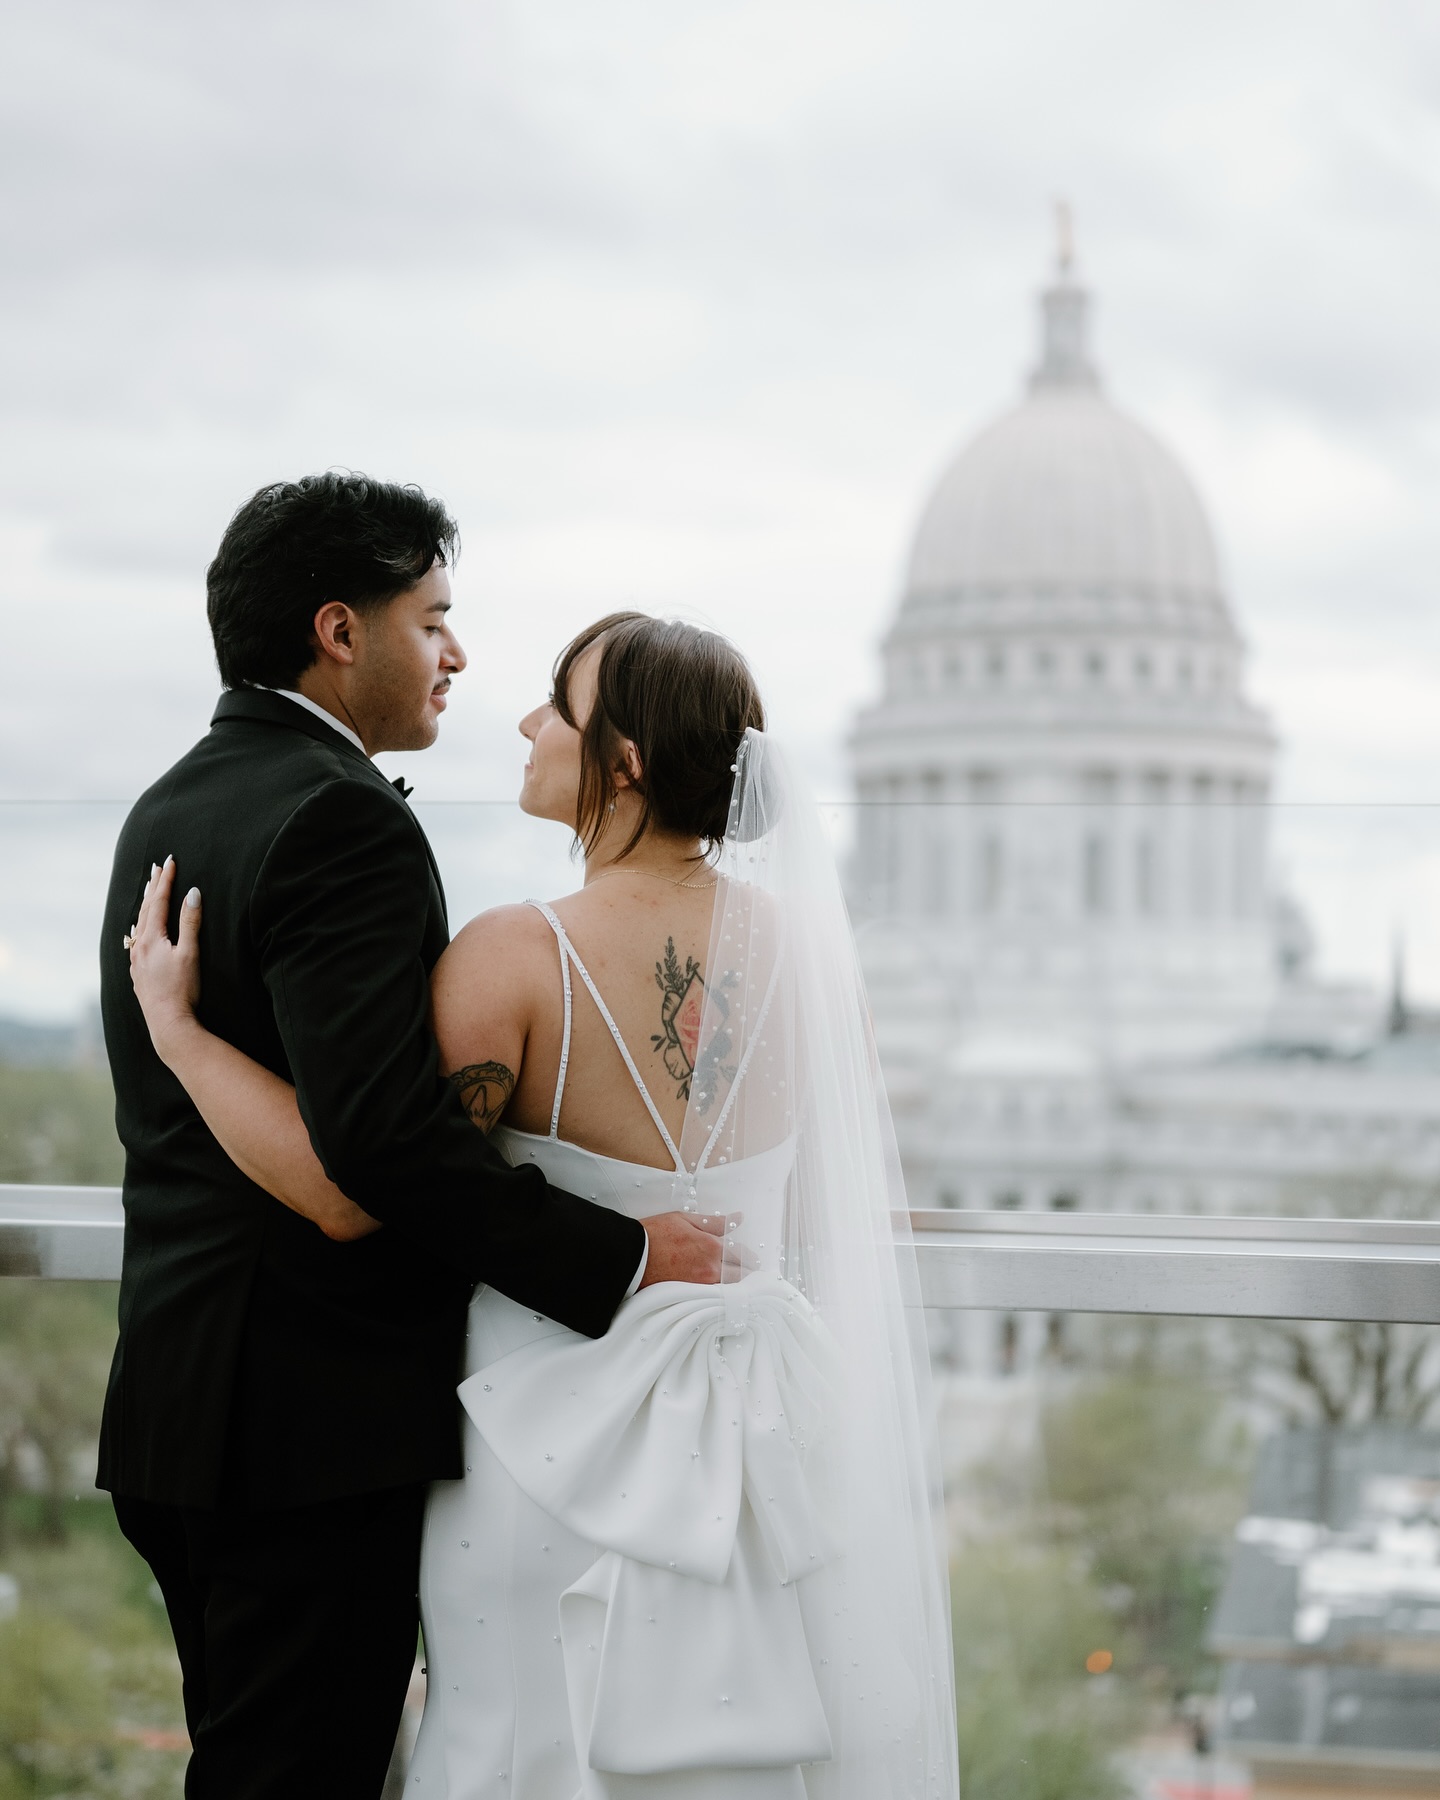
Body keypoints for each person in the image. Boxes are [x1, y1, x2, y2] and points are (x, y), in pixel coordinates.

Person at [129, 610, 961, 1799]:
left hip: (540, 1437)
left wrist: (181, 1035)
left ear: (621, 760)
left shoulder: (514, 956)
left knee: (524, 1737)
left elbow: (360, 1182)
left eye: (555, 708)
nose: (525, 724)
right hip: (774, 1427)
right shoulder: (816, 969)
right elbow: (837, 1206)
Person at [100, 479, 727, 1800]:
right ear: (342, 629)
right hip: (307, 1434)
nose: (457, 655)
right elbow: (377, 1153)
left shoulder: (168, 802)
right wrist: (620, 1258)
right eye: (433, 619)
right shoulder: (345, 822)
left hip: (175, 1398)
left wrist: (184, 1041)